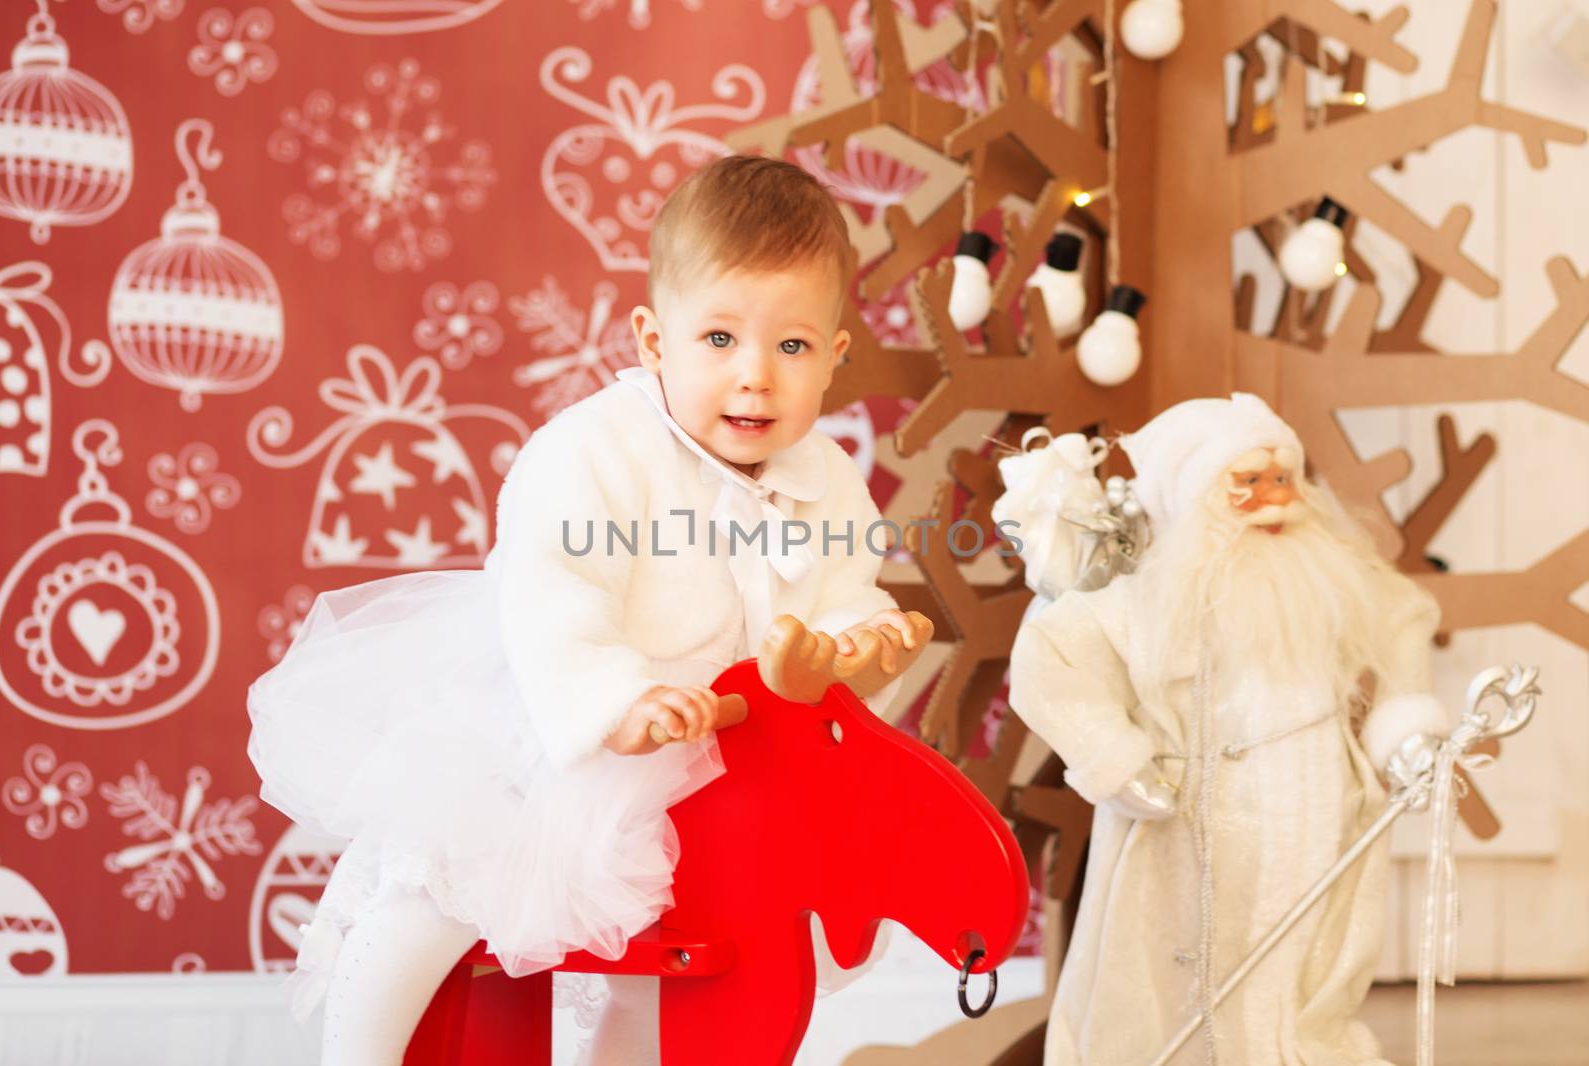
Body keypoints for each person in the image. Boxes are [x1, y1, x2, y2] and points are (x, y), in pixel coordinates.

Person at [248, 155, 921, 1066]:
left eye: (791, 347)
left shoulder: (829, 479)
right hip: (556, 735)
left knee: (683, 963)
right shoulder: (594, 450)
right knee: (444, 893)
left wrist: (864, 642)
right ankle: (359, 1050)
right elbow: (550, 588)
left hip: (723, 762)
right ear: (654, 341)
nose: (755, 376)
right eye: (719, 340)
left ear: (835, 357)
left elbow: (840, 595)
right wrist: (618, 701)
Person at [1006, 394, 1449, 1065]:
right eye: (1247, 482)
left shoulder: (1327, 575)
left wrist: (1405, 730)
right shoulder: (1149, 599)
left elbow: (1402, 620)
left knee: (1308, 960)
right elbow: (1051, 657)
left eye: (1283, 479)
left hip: (1317, 812)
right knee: (1180, 968)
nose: (1272, 498)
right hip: (1189, 821)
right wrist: (1114, 759)